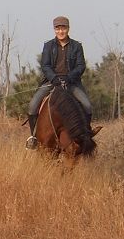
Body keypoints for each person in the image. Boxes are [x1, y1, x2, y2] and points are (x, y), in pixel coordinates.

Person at [26, 16, 93, 150]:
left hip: (72, 83)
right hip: (52, 82)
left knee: (87, 105)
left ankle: (85, 135)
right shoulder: (48, 45)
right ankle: (34, 137)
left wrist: (69, 77)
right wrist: (54, 78)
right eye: (58, 28)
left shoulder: (77, 46)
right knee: (32, 106)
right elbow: (45, 66)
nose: (61, 31)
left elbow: (81, 66)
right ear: (54, 30)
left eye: (63, 28)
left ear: (68, 29)